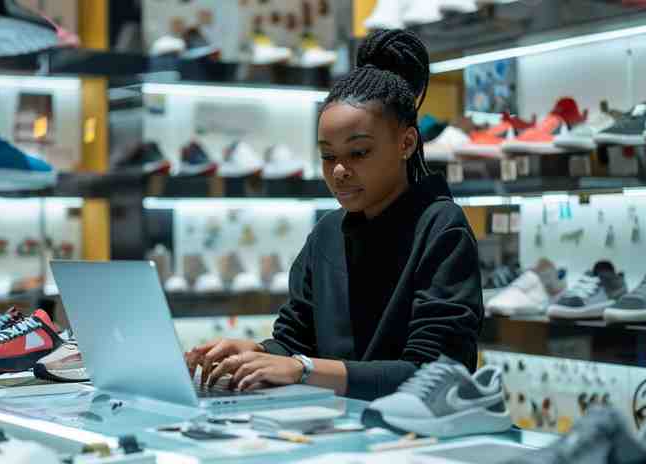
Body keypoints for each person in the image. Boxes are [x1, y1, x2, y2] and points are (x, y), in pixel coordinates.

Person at [184, 29, 484, 401]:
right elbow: (295, 340)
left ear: (406, 143)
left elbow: (437, 374)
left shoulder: (441, 228)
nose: (339, 170)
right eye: (328, 156)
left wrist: (302, 368)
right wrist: (255, 354)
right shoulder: (327, 233)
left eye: (358, 153)